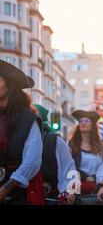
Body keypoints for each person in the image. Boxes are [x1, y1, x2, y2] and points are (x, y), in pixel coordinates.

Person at [0, 60, 44, 205]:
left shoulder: (28, 120)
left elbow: (32, 161)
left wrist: (6, 188)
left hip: (17, 193)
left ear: (9, 86)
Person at [33, 104, 77, 205]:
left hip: (53, 196)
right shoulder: (18, 141)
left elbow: (70, 167)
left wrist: (72, 191)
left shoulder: (55, 140)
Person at [68, 110, 103, 199]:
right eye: (81, 121)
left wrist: (96, 180)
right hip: (78, 188)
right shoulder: (71, 145)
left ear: (92, 125)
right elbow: (69, 168)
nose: (83, 123)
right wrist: (72, 191)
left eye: (86, 121)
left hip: (98, 188)